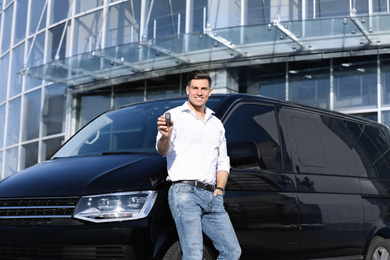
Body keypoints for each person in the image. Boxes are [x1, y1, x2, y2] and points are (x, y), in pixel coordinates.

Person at [156, 70, 241, 260]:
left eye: (204, 88)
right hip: (185, 193)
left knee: (232, 251)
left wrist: (220, 188)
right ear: (188, 90)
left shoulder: (216, 123)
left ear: (210, 92)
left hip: (213, 196)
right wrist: (165, 136)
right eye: (195, 88)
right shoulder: (173, 116)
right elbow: (163, 150)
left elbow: (222, 160)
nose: (199, 92)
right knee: (193, 253)